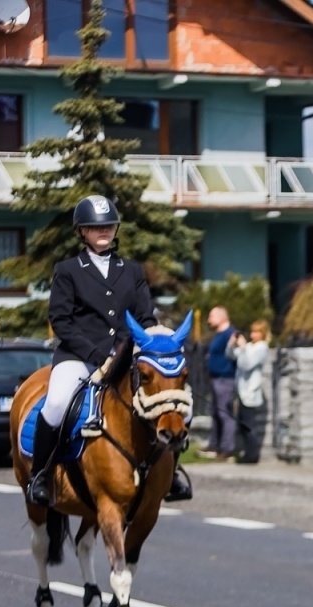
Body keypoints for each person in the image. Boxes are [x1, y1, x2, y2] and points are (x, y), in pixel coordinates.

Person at [25, 194, 191, 506]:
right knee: (58, 403)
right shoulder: (68, 270)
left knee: (171, 402)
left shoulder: (131, 270)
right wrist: (96, 353)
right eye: (94, 227)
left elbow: (144, 317)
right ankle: (41, 475)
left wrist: (147, 345)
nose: (103, 231)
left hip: (126, 357)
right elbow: (61, 320)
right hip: (78, 357)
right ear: (81, 231)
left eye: (109, 226)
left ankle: (172, 473)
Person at [232, 319, 270, 464]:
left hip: (250, 392)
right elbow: (231, 356)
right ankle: (247, 453)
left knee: (249, 426)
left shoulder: (261, 348)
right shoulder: (249, 346)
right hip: (241, 392)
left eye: (257, 332)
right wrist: (232, 343)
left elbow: (247, 364)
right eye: (252, 331)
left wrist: (243, 348)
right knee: (242, 425)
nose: (253, 335)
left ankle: (252, 455)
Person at [203, 305, 237, 458]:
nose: (209, 320)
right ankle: (214, 445)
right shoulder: (219, 334)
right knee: (215, 413)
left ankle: (227, 448)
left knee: (225, 413)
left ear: (222, 317)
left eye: (212, 316)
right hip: (215, 377)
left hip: (225, 378)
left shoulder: (231, 334)